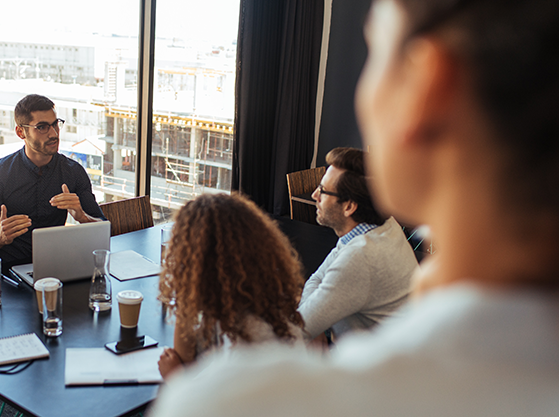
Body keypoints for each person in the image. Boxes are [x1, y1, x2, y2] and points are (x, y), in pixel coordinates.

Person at [150, 0, 559, 415]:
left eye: (375, 50)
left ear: (425, 87)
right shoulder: (384, 233)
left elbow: (296, 329)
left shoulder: (234, 400)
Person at [157, 193, 304, 379]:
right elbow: (187, 357)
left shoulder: (247, 343)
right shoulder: (256, 306)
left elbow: (209, 406)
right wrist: (187, 299)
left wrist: (175, 377)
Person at [297, 147, 417, 341]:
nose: (314, 195)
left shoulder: (360, 257)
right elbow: (316, 279)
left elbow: (301, 328)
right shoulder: (384, 225)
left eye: (323, 190)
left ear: (349, 206)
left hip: (374, 367)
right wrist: (314, 322)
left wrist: (313, 324)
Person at [0, 94, 105, 266]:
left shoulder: (73, 172)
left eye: (55, 124)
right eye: (42, 127)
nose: (54, 133)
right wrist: (0, 237)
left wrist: (82, 217)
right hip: (10, 275)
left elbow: (103, 229)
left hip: (56, 269)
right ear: (21, 132)